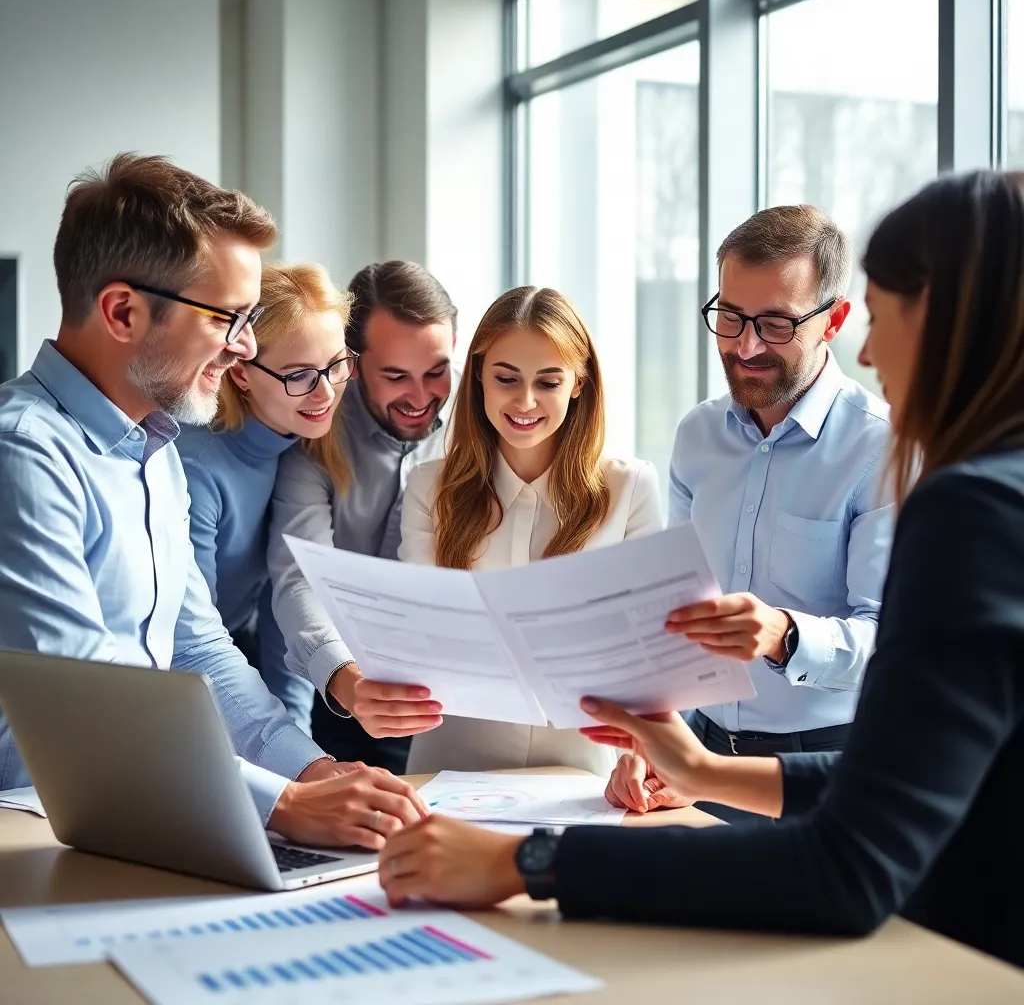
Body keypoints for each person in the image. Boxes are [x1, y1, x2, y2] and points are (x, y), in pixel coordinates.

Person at [377, 170, 1024, 970]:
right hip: (729, 753)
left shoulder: (971, 507)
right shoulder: (702, 439)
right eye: (731, 318)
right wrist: (702, 766)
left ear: (963, 324)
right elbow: (902, 781)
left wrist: (529, 864)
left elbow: (849, 861)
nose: (872, 351)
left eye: (886, 317)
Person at [0, 153, 424, 851]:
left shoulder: (157, 447)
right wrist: (283, 803)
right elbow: (89, 710)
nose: (245, 347)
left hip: (146, 818)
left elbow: (197, 648)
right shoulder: (26, 454)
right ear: (122, 311)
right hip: (37, 833)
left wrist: (314, 772)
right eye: (228, 318)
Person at [663, 205, 893, 822]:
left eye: (775, 323)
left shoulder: (881, 449)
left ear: (834, 320)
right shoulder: (696, 436)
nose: (747, 345)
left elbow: (894, 642)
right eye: (731, 317)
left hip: (823, 773)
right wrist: (655, 737)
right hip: (696, 759)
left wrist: (786, 635)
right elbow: (675, 611)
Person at [397, 285, 662, 775]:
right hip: (452, 757)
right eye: (506, 378)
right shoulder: (428, 486)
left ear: (579, 383)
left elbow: (643, 654)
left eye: (548, 382)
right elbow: (423, 632)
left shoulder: (630, 488)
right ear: (477, 376)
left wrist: (642, 757)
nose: (524, 400)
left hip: (585, 759)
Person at [268, 260, 458, 773]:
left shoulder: (479, 421)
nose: (421, 398)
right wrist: (346, 680)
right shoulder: (318, 427)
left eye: (437, 371)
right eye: (396, 376)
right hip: (342, 686)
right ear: (351, 363)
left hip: (448, 694)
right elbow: (298, 574)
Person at [177, 262, 357, 735]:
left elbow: (286, 604)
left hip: (236, 647)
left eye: (336, 364)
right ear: (240, 374)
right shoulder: (198, 467)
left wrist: (300, 747)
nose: (325, 392)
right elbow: (192, 647)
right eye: (299, 375)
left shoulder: (299, 447)